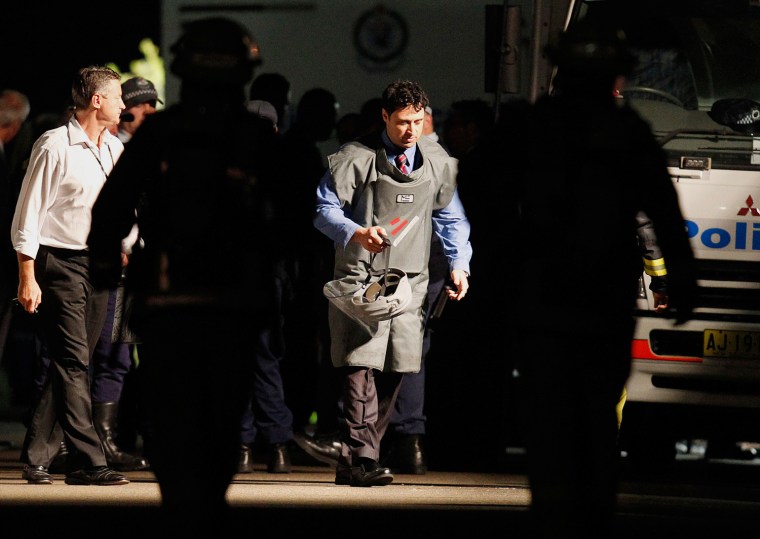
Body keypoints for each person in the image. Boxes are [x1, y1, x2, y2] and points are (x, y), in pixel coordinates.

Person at [493, 21, 697, 537]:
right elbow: (664, 217)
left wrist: (506, 271)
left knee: (550, 422)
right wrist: (684, 283)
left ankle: (555, 516)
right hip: (601, 305)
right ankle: (591, 518)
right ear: (616, 74)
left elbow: (485, 197)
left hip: (544, 302)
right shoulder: (628, 132)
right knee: (596, 417)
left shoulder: (532, 127)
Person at [87, 16, 282, 534]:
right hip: (234, 303)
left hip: (170, 301)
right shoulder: (257, 135)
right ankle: (206, 504)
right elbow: (285, 218)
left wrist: (104, 262)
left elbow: (112, 205)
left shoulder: (161, 135)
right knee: (220, 416)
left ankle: (182, 507)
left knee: (174, 416)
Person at [312, 79, 472, 487]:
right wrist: (354, 232)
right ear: (385, 116)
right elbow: (323, 209)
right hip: (360, 275)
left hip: (411, 282)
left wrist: (459, 263)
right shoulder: (356, 157)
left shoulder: (436, 160)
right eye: (402, 122)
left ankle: (358, 456)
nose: (410, 131)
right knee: (359, 362)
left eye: (418, 121)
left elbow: (451, 217)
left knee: (397, 366)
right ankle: (361, 454)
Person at [11, 66, 129, 486]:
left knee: (71, 363)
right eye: (117, 96)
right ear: (96, 100)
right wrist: (27, 274)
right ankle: (88, 460)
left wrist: (125, 245)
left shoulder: (114, 147)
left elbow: (118, 209)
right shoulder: (54, 145)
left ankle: (37, 456)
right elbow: (28, 211)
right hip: (58, 262)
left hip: (98, 263)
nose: (123, 104)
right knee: (74, 361)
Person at [89, 75, 161, 472]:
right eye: (144, 104)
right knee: (112, 355)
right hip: (119, 269)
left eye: (154, 104)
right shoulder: (118, 149)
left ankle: (115, 437)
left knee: (130, 358)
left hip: (144, 269)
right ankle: (102, 441)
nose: (150, 111)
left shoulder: (145, 148)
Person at [237, 96, 296, 475]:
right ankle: (277, 446)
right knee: (266, 361)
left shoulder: (226, 164)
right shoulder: (288, 169)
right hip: (271, 276)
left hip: (234, 276)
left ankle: (241, 446)